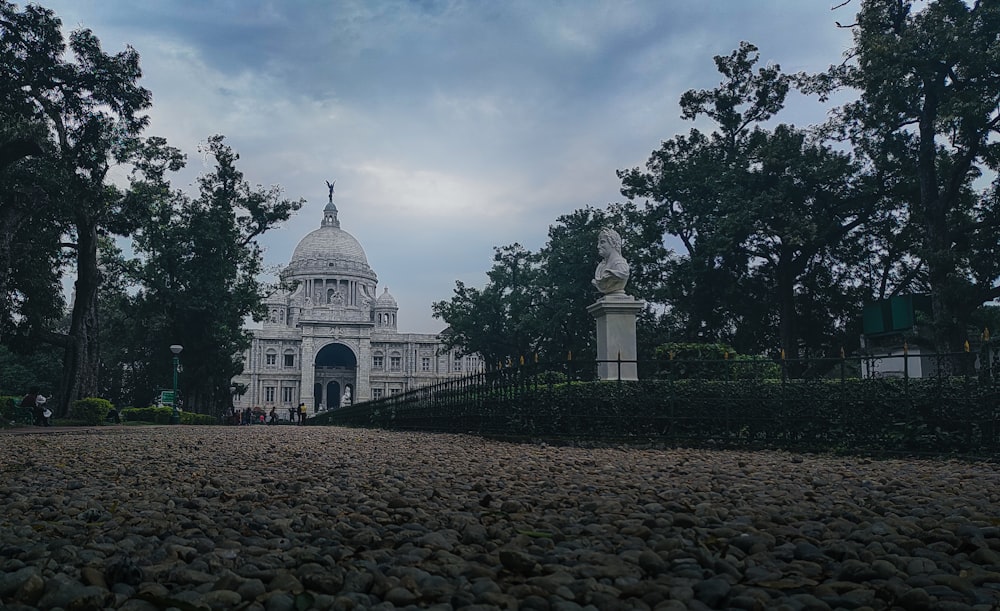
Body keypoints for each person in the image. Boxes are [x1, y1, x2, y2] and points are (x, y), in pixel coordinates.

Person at [592, 227, 630, 295]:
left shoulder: (620, 265)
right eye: (599, 243)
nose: (598, 246)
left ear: (613, 243)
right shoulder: (601, 266)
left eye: (602, 242)